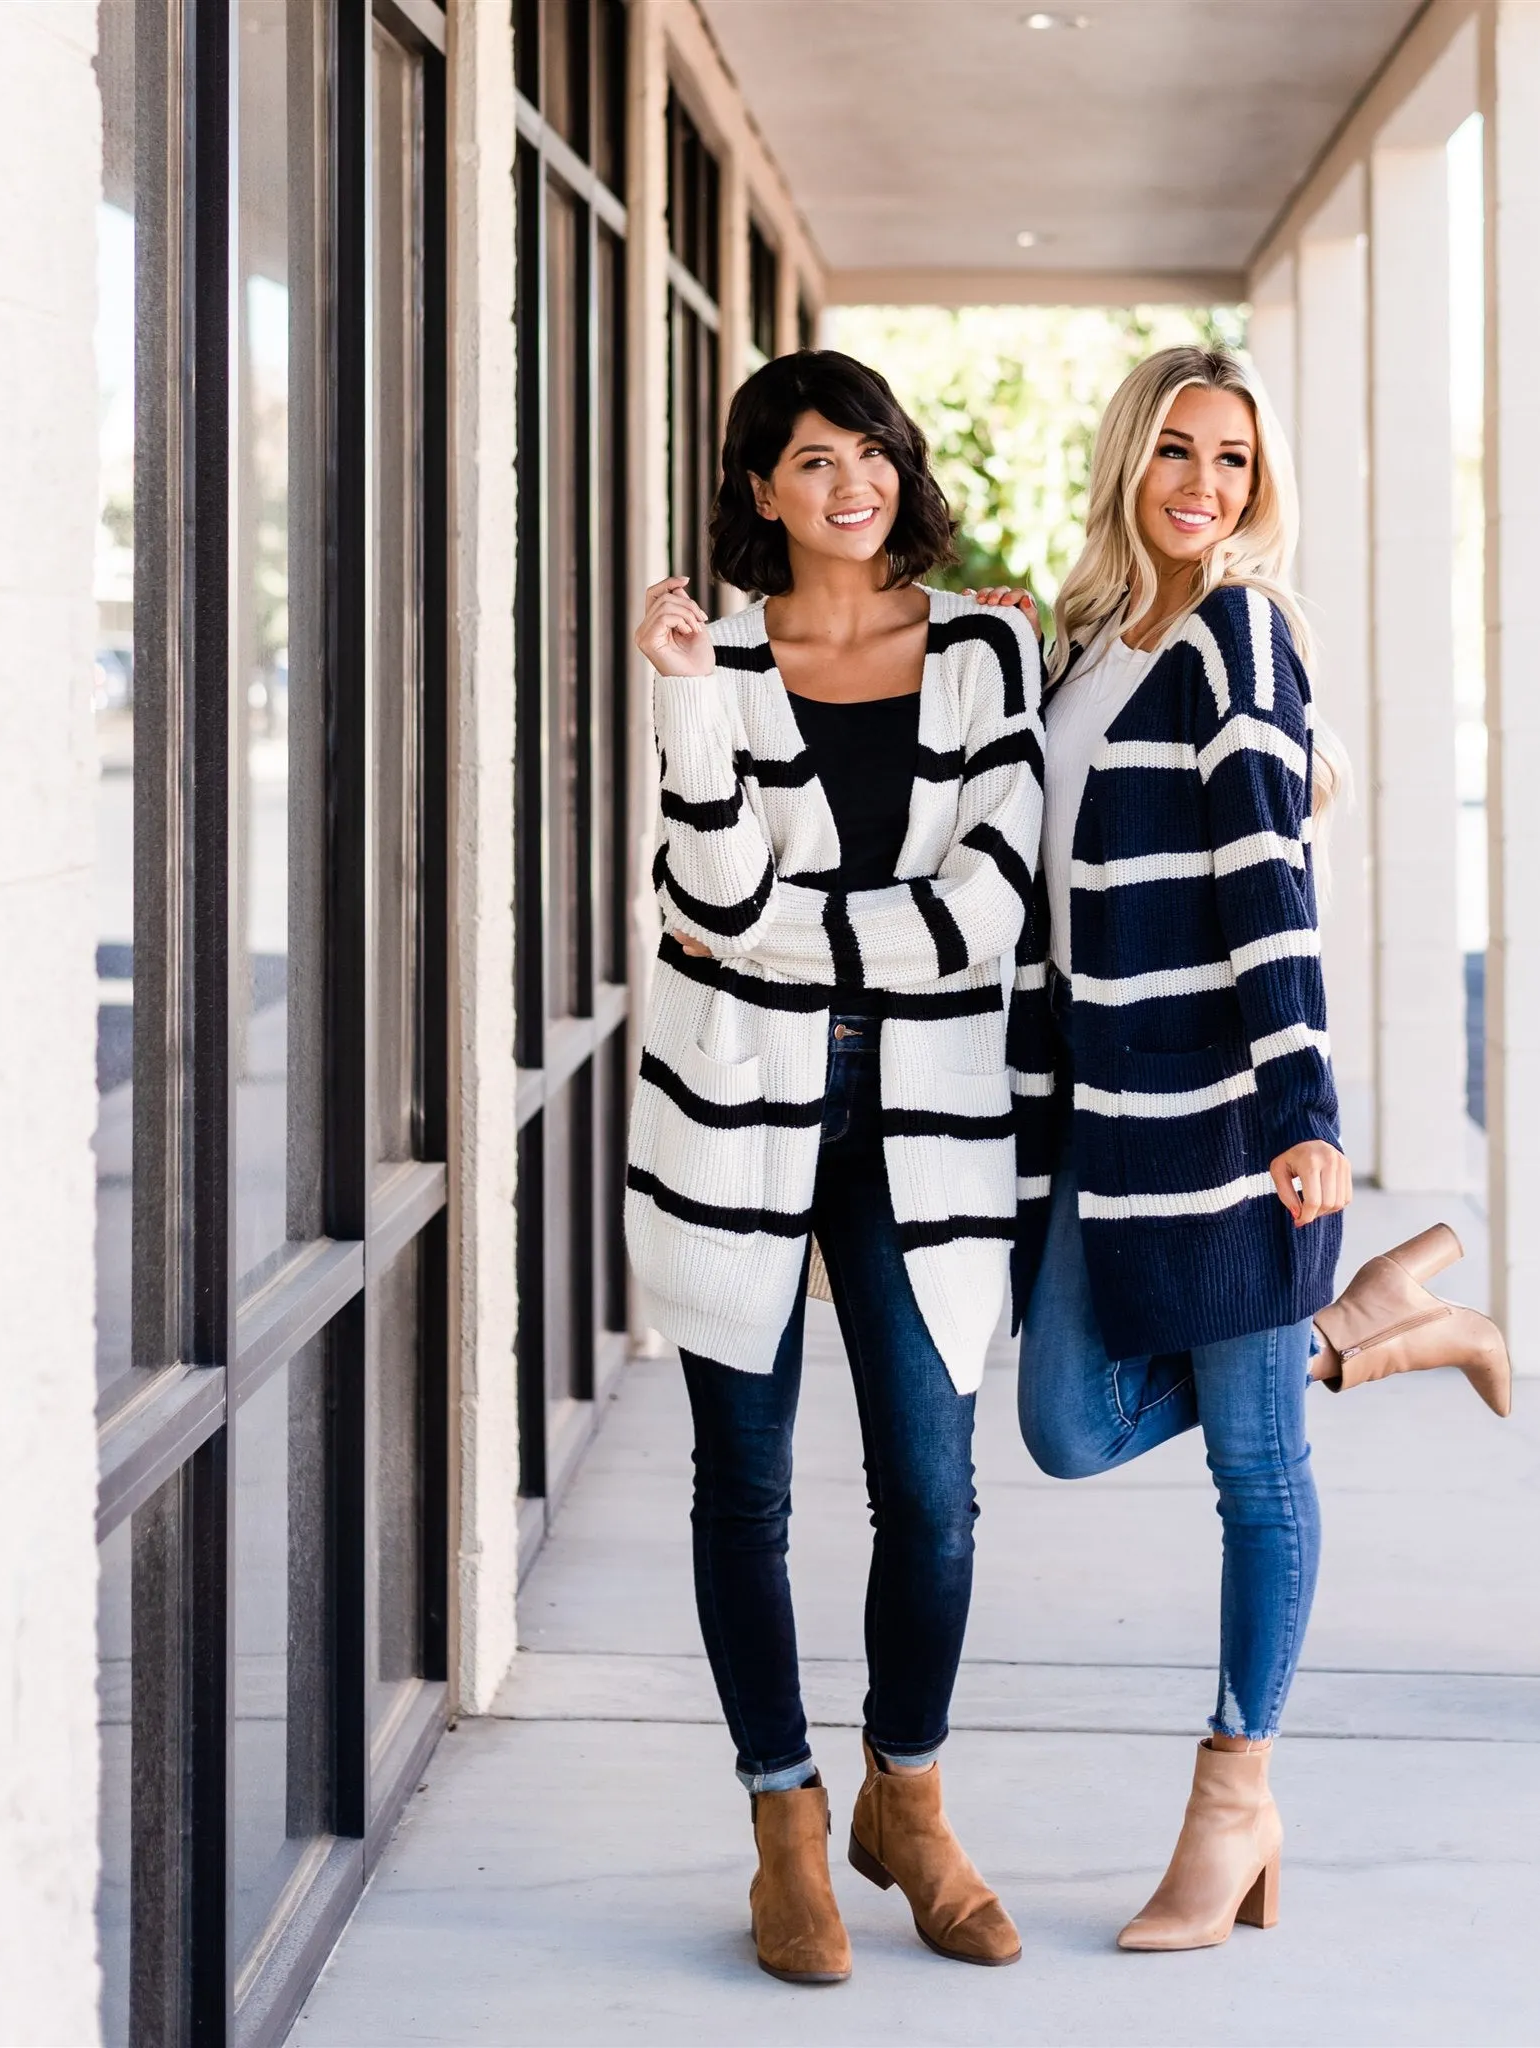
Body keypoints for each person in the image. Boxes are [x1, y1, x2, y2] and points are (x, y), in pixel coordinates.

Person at [975, 344, 1510, 1957]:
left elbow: (1269, 870)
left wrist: (1304, 1115)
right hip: (1094, 1112)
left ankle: (1233, 1800)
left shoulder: (1241, 632)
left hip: (1219, 1123)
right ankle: (1366, 1331)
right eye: (1177, 453)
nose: (1206, 485)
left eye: (1233, 460)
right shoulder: (1086, 647)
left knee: (1254, 1476)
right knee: (1067, 1425)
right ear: (1129, 464)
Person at [629, 349, 1042, 1984]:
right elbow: (712, 892)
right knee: (744, 1486)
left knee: (930, 1496)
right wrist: (677, 690)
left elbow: (992, 904)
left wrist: (797, 942)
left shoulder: (985, 652)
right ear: (758, 489)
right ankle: (784, 1827)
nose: (848, 484)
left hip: (925, 1112)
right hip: (740, 1104)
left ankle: (910, 1803)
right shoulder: (713, 657)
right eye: (810, 461)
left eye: (869, 452)